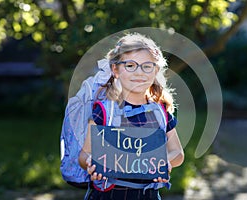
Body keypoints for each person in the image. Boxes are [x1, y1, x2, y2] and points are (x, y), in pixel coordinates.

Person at [78, 33, 184, 200]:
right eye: (130, 65)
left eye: (147, 66)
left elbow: (177, 152)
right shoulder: (106, 111)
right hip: (109, 196)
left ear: (155, 71)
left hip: (147, 195)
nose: (139, 72)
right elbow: (84, 155)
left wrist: (165, 162)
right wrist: (91, 163)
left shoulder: (159, 111)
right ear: (115, 69)